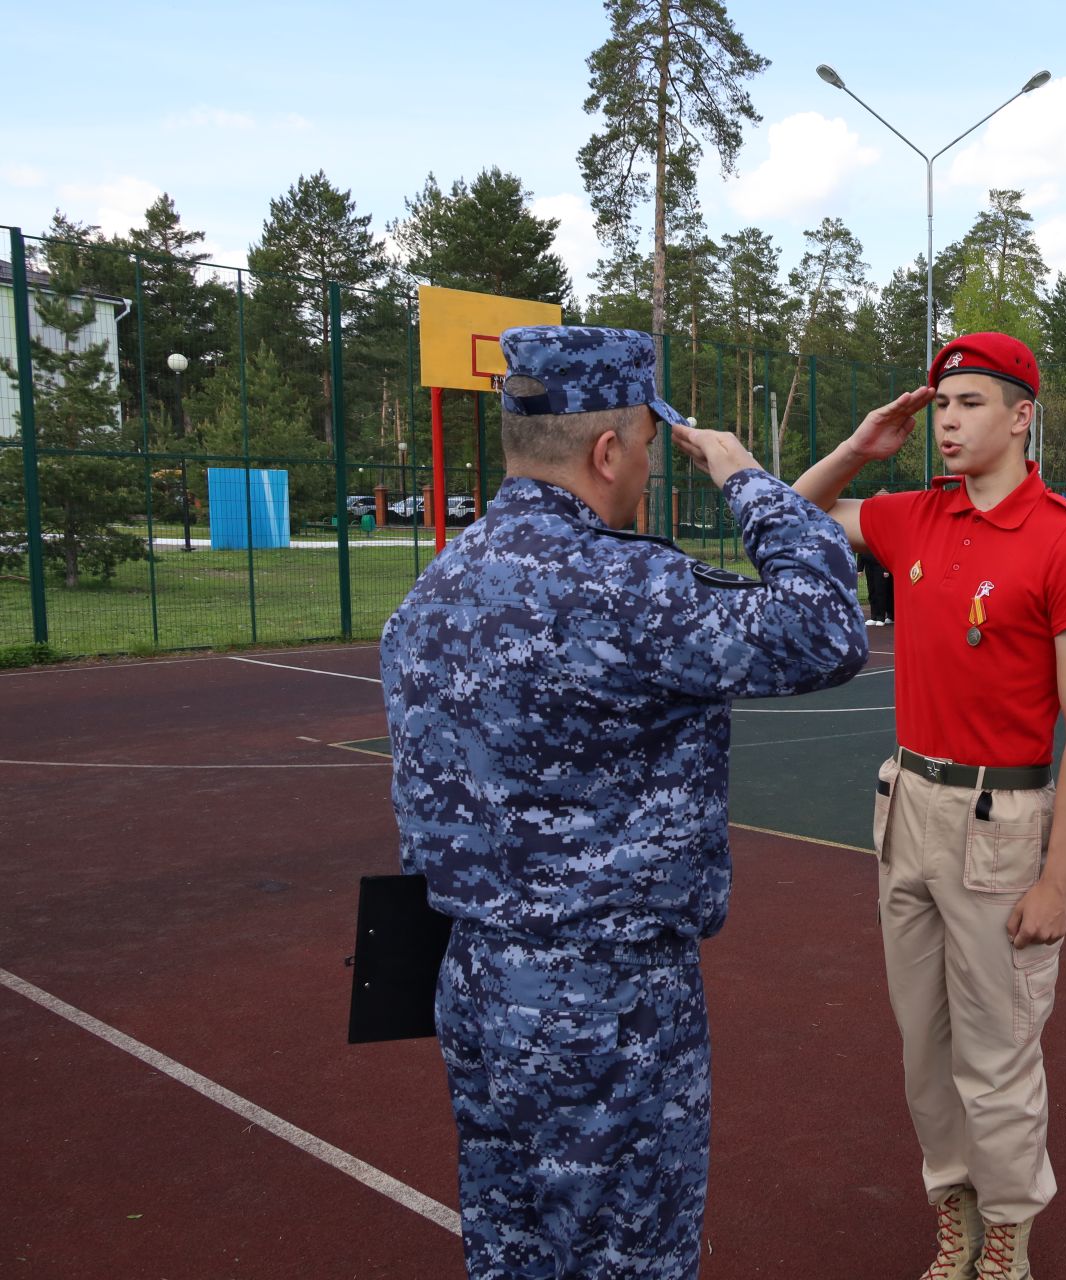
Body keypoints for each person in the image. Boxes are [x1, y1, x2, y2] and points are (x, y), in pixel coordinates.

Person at [380, 326, 870, 1279]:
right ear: (609, 450)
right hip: (605, 1001)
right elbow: (825, 627)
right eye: (648, 442)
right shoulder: (627, 587)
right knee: (627, 1252)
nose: (650, 463)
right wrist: (746, 477)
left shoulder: (433, 592)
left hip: (474, 982)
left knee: (512, 1242)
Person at [792, 331, 1066, 1279]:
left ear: (1022, 416)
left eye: (969, 403)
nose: (946, 421)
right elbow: (783, 514)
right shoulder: (914, 518)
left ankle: (1009, 1228)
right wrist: (861, 444)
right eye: (940, 406)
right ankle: (956, 1206)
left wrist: (1061, 879)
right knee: (924, 1050)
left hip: (1000, 822)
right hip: (908, 809)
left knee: (999, 1049)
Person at [861, 488, 896, 626]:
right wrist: (860, 567)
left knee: (885, 591)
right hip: (870, 563)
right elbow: (862, 546)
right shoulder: (869, 521)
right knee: (873, 590)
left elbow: (889, 547)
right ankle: (875, 615)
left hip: (883, 565)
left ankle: (886, 616)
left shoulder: (890, 523)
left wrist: (886, 567)